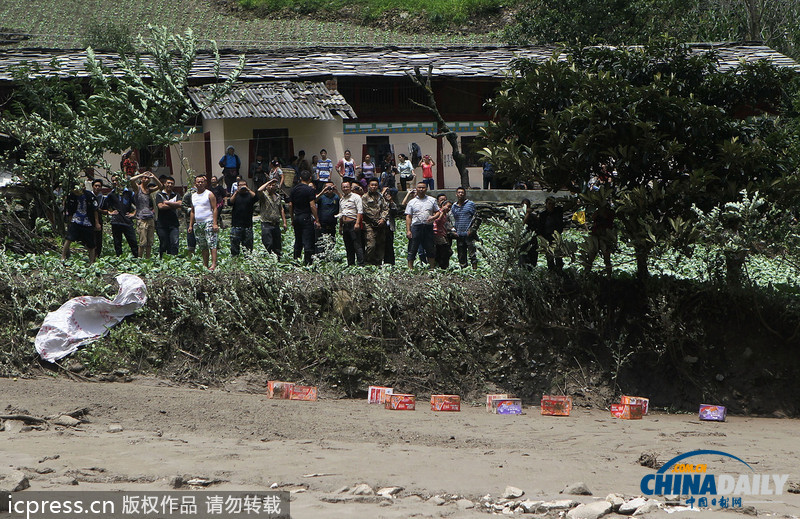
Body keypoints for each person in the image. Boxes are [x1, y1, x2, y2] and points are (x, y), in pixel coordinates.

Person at [405, 181, 441, 268]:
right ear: (416, 189)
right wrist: (408, 230)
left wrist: (433, 217)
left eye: (423, 188)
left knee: (430, 247)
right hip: (416, 227)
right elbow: (408, 216)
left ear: (426, 189)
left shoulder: (432, 200)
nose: (421, 189)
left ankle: (432, 267)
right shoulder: (412, 202)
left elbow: (437, 212)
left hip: (428, 227)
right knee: (413, 247)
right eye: (419, 188)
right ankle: (410, 268)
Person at [61, 183, 100, 263]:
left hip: (87, 222)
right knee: (69, 238)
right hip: (76, 220)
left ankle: (91, 262)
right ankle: (63, 257)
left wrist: (96, 223)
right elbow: (69, 209)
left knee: (90, 244)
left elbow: (95, 209)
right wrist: (70, 221)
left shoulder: (89, 195)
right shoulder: (72, 195)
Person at [288, 170, 320, 265]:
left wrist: (292, 218)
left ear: (300, 178)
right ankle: (308, 263)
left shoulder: (294, 189)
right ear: (310, 178)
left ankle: (296, 261)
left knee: (298, 240)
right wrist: (317, 219)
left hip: (297, 217)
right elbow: (312, 205)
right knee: (308, 241)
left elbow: (290, 205)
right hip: (306, 217)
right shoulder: (309, 190)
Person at [189, 175, 219, 271]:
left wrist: (215, 223)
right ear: (195, 184)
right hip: (198, 223)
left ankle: (214, 264)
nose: (200, 183)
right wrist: (190, 225)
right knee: (203, 245)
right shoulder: (193, 196)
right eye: (198, 182)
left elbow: (215, 208)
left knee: (212, 243)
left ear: (205, 183)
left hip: (208, 221)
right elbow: (193, 211)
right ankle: (205, 264)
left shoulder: (209, 194)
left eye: (202, 182)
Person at [130, 171, 163, 259]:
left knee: (149, 242)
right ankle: (140, 259)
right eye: (145, 178)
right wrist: (142, 174)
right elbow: (131, 180)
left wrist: (153, 177)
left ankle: (147, 260)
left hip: (150, 217)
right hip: (141, 218)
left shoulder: (149, 190)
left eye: (148, 178)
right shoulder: (138, 189)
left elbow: (160, 186)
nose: (146, 179)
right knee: (142, 242)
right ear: (141, 179)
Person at [105, 176, 138, 257]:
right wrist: (110, 212)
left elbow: (138, 204)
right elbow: (104, 207)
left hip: (127, 221)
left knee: (133, 241)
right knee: (117, 243)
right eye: (113, 181)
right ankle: (119, 258)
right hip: (116, 221)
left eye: (116, 180)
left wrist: (133, 213)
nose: (114, 182)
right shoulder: (111, 194)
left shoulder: (129, 193)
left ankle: (137, 258)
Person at [361, 178, 389, 266]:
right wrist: (375, 220)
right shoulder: (364, 197)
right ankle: (368, 262)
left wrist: (383, 219)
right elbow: (365, 210)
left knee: (380, 244)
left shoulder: (381, 197)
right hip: (369, 224)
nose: (374, 187)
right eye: (372, 185)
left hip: (381, 224)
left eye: (375, 185)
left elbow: (385, 208)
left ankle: (378, 262)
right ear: (369, 186)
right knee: (371, 245)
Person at [257, 178, 287, 257]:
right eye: (269, 185)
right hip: (266, 223)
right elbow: (259, 190)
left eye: (272, 185)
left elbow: (281, 209)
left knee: (277, 245)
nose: (270, 187)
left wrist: (284, 222)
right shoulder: (264, 195)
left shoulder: (278, 196)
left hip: (276, 223)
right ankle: (268, 260)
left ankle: (277, 261)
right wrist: (269, 182)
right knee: (268, 244)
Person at [337, 180, 364, 267]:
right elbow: (341, 213)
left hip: (353, 223)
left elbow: (360, 211)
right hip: (345, 225)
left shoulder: (356, 197)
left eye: (347, 187)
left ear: (350, 188)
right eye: (343, 187)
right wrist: (340, 226)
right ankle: (350, 264)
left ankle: (361, 264)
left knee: (357, 245)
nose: (345, 188)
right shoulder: (341, 199)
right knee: (348, 246)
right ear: (341, 188)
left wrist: (357, 223)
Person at [584, 204, 616, 276]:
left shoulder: (609, 213)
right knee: (591, 257)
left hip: (605, 237)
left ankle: (609, 276)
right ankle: (586, 274)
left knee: (607, 258)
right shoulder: (597, 213)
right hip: (596, 236)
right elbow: (593, 218)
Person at [451, 187, 478, 269]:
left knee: (472, 254)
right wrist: (453, 231)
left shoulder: (470, 204)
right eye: (459, 192)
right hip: (459, 234)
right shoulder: (454, 206)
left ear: (465, 194)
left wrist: (472, 230)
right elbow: (451, 219)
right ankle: (464, 270)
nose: (460, 194)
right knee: (461, 254)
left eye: (462, 192)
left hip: (469, 233)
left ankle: (475, 269)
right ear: (456, 194)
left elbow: (477, 218)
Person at [228, 179, 257, 256]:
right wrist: (236, 192)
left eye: (244, 185)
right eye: (240, 185)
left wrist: (248, 189)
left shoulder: (249, 196)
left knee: (248, 246)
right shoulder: (236, 196)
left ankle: (248, 260)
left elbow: (256, 198)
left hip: (247, 225)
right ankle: (235, 260)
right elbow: (230, 202)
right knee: (234, 245)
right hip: (236, 225)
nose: (242, 187)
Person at [155, 176, 182, 257]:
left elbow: (180, 204)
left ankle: (174, 259)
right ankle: (162, 259)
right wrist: (174, 205)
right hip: (162, 224)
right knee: (164, 243)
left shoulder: (176, 194)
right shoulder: (159, 194)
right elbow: (160, 207)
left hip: (174, 223)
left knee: (174, 243)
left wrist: (167, 203)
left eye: (172, 183)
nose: (170, 185)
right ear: (164, 184)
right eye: (168, 183)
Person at [537, 196, 564, 272]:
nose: (551, 206)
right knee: (549, 257)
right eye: (549, 204)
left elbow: (560, 225)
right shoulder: (543, 215)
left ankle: (559, 271)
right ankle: (551, 271)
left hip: (556, 237)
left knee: (558, 256)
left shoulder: (558, 213)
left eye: (553, 204)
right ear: (546, 204)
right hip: (547, 238)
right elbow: (540, 227)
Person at [316, 181, 340, 252]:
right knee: (321, 241)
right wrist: (322, 191)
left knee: (332, 240)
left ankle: (331, 254)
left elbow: (343, 200)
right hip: (322, 223)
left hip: (332, 223)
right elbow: (314, 200)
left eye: (331, 187)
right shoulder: (321, 197)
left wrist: (337, 191)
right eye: (327, 187)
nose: (329, 189)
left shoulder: (336, 197)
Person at [433, 200, 454, 269]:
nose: (449, 209)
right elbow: (437, 221)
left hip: (442, 233)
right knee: (447, 250)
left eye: (450, 207)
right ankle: (441, 265)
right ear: (443, 206)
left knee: (441, 250)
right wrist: (441, 212)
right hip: (437, 233)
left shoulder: (445, 214)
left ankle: (441, 265)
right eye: (448, 207)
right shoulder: (439, 212)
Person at [519, 198, 539, 268]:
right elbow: (522, 225)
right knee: (523, 255)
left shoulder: (533, 215)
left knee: (533, 255)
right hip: (524, 238)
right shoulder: (520, 215)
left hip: (532, 238)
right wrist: (527, 214)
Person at [91, 179, 106, 258]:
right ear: (93, 186)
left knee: (99, 238)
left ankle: (97, 255)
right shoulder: (89, 195)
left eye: (99, 186)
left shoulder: (102, 197)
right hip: (90, 219)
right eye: (96, 186)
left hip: (99, 218)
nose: (97, 187)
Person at [382, 188, 397, 265]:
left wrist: (390, 201)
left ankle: (390, 262)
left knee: (389, 245)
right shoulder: (379, 202)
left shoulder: (391, 203)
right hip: (380, 226)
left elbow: (395, 211)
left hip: (389, 226)